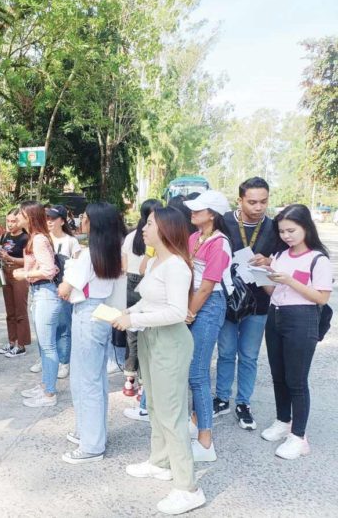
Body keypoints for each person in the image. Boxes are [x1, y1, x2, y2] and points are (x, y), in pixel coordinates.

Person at [113, 206, 206, 516]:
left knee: (173, 414)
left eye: (150, 223)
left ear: (166, 228)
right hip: (152, 339)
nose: (143, 228)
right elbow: (149, 301)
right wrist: (130, 314)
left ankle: (188, 488)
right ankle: (159, 461)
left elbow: (179, 312)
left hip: (171, 342)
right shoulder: (154, 261)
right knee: (153, 404)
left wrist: (136, 318)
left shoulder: (177, 266)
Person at [261, 204, 332, 459]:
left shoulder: (317, 259)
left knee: (297, 381)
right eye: (282, 231)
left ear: (306, 228)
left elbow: (322, 298)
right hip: (276, 315)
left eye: (291, 230)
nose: (286, 236)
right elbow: (274, 291)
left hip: (302, 319)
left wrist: (290, 280)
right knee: (278, 375)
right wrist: (263, 276)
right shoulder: (280, 255)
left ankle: (299, 436)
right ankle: (283, 421)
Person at [57, 203, 123, 464]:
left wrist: (67, 273)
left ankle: (92, 445)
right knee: (95, 378)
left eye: (84, 217)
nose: (81, 220)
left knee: (87, 381)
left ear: (94, 223)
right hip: (103, 310)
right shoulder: (112, 251)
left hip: (87, 312)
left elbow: (64, 290)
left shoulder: (87, 256)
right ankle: (92, 432)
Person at [213, 177, 280, 430]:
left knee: (249, 355)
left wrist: (270, 261)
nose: (258, 207)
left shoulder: (274, 228)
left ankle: (243, 402)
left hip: (259, 301)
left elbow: (287, 257)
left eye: (263, 201)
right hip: (227, 299)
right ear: (239, 200)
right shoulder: (224, 222)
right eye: (252, 202)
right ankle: (221, 398)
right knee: (226, 352)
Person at [183, 190, 233, 462]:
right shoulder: (194, 237)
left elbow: (207, 286)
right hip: (194, 304)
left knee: (198, 373)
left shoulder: (220, 243)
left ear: (212, 214)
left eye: (198, 209)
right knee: (193, 370)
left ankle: (205, 442)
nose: (193, 213)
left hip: (209, 305)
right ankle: (194, 421)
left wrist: (190, 313)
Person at [14, 201, 61, 408]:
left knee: (48, 345)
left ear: (30, 217)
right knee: (43, 345)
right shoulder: (34, 238)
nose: (17, 217)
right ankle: (45, 385)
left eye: (21, 214)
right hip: (39, 293)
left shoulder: (39, 239)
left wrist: (25, 274)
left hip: (46, 293)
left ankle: (50, 393)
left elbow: (49, 270)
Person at [121, 199, 162, 398]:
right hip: (149, 284)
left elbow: (123, 265)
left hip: (131, 282)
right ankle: (145, 385)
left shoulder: (130, 237)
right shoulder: (158, 238)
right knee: (148, 335)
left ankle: (129, 381)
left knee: (132, 334)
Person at [47, 205, 81, 379]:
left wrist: (69, 287)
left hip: (64, 288)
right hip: (46, 287)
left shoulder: (71, 242)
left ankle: (64, 361)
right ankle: (46, 359)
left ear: (62, 220)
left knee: (63, 325)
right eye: (47, 218)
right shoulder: (44, 239)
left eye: (53, 218)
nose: (49, 222)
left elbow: (76, 267)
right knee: (47, 325)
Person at [0, 208, 31, 357]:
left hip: (20, 273)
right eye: (8, 221)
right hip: (6, 272)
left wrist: (10, 259)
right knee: (10, 310)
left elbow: (29, 261)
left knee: (20, 310)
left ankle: (22, 345)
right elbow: (4, 253)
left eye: (14, 221)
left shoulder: (26, 238)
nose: (10, 224)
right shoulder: (5, 236)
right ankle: (12, 342)